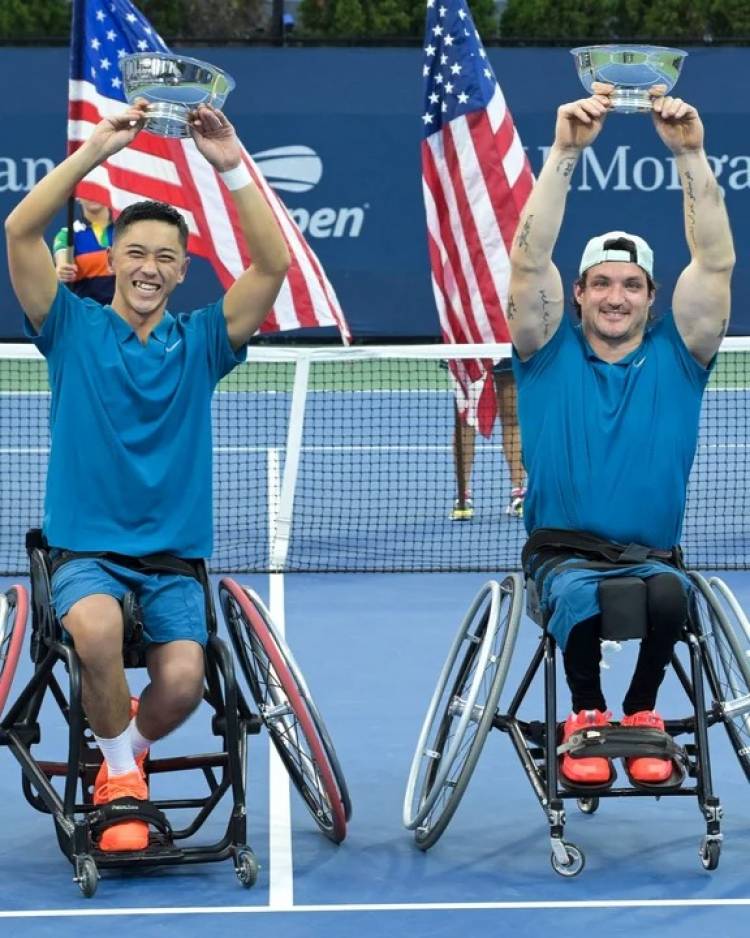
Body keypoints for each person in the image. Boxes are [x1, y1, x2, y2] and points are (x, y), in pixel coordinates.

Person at [4, 99, 290, 851]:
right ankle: (125, 779)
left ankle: (118, 752)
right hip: (85, 553)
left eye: (165, 257)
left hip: (171, 561)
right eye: (136, 253)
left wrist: (228, 161)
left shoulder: (203, 341)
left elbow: (272, 265)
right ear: (112, 257)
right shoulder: (70, 327)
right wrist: (97, 148)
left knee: (186, 684)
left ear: (182, 269)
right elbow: (19, 231)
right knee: (94, 631)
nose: (149, 268)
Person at [507, 83, 734, 787]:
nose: (614, 296)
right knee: (581, 596)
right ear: (576, 293)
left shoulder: (681, 351)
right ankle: (585, 713)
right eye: (600, 283)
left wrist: (690, 155)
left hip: (652, 557)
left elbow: (716, 261)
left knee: (671, 596)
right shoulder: (545, 350)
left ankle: (639, 714)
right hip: (563, 559)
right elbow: (526, 262)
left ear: (651, 296)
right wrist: (564, 154)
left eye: (631, 285)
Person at [450, 360, 526, 520]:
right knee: (466, 420)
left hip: (504, 343)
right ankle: (463, 496)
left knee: (512, 416)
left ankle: (518, 493)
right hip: (469, 346)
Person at [53, 198, 115, 304]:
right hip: (88, 315)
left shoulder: (127, 230)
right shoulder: (67, 234)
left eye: (97, 187)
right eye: (88, 189)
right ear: (78, 197)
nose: (93, 194)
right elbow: (62, 260)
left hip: (127, 316)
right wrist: (63, 268)